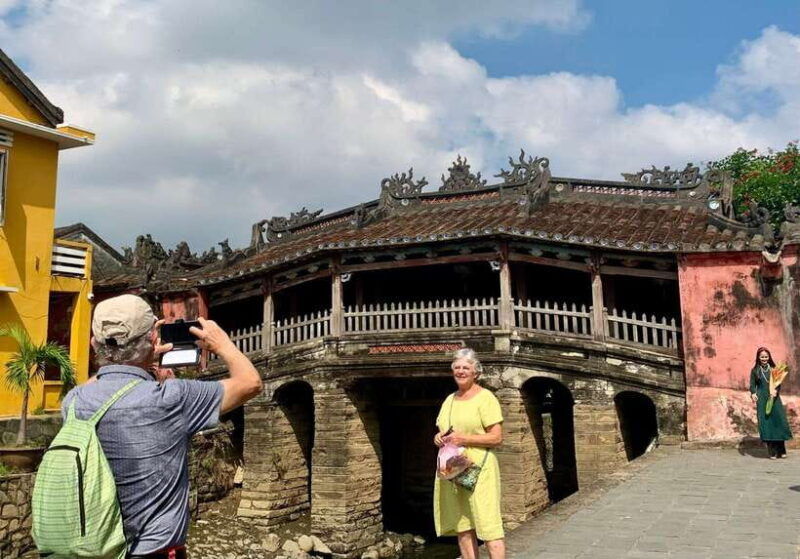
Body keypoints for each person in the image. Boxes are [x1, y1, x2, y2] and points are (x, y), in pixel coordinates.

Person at [61, 294, 262, 558]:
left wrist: (127, 359)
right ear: (153, 340)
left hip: (93, 549)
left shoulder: (74, 402)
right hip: (154, 550)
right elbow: (250, 383)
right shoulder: (171, 398)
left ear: (93, 344)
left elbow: (96, 384)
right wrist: (222, 343)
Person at [433, 348, 504, 559]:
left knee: (488, 523)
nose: (461, 371)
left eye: (466, 367)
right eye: (457, 367)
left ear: (476, 372)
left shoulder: (486, 398)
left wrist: (465, 439)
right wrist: (437, 438)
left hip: (480, 468)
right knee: (461, 522)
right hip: (453, 468)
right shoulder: (449, 400)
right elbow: (444, 431)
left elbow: (497, 438)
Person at [749, 346, 792, 459]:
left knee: (778, 422)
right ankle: (772, 451)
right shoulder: (755, 371)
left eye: (766, 356)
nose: (764, 358)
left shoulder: (774, 369)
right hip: (762, 399)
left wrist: (775, 392)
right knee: (767, 424)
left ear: (769, 357)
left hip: (775, 399)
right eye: (762, 357)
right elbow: (752, 385)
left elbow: (778, 384)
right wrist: (753, 393)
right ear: (758, 358)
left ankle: (781, 450)